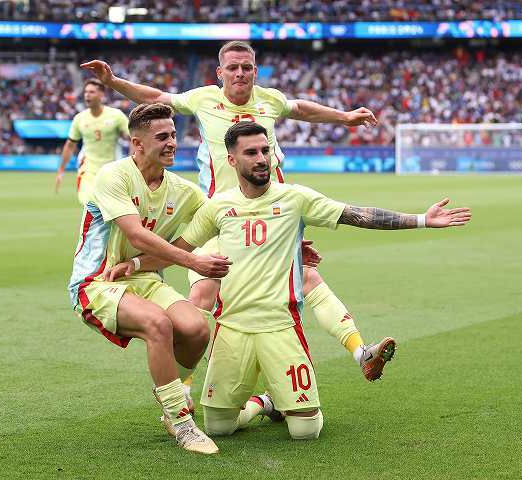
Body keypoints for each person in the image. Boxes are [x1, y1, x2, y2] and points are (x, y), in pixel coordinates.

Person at [105, 122, 472, 440]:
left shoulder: (295, 198)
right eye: (251, 152)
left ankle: (282, 399)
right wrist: (135, 263)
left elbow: (357, 215)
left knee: (306, 432)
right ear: (232, 161)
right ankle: (264, 403)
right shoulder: (218, 207)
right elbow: (179, 248)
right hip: (231, 329)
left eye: (265, 150)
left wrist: (422, 219)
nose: (262, 158)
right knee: (218, 427)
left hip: (281, 327)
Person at [81, 41, 391, 382]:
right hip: (220, 217)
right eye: (233, 67)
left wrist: (345, 117)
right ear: (220, 73)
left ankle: (360, 352)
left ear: (255, 71)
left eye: (247, 67)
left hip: (270, 216)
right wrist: (114, 83)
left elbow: (301, 108)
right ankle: (184, 387)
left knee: (307, 279)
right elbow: (156, 97)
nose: (240, 73)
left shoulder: (269, 100)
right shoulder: (203, 99)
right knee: (202, 292)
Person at [67, 103, 233, 454]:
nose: (172, 142)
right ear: (137, 143)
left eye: (173, 135)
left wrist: (291, 243)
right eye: (162, 137)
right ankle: (182, 422)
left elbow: (228, 217)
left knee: (196, 329)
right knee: (159, 325)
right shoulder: (114, 175)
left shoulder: (182, 191)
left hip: (141, 277)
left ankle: (176, 392)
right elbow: (137, 234)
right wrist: (193, 261)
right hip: (96, 283)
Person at [56, 78, 130, 204]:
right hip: (87, 171)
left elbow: (133, 139)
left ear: (101, 94)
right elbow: (70, 145)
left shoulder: (116, 116)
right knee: (90, 204)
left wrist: (135, 164)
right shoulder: (79, 118)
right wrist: (61, 170)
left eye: (91, 92)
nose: (87, 95)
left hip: (112, 171)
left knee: (110, 209)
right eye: (85, 92)